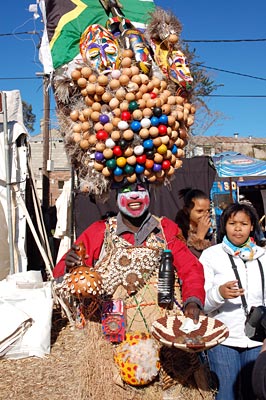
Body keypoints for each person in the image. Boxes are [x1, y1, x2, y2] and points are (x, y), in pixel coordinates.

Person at [54, 180, 205, 321]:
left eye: (140, 189)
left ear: (149, 192)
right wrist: (72, 267)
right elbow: (62, 274)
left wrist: (193, 301)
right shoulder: (99, 232)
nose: (134, 195)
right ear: (116, 195)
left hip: (162, 330)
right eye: (126, 190)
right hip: (110, 332)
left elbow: (190, 269)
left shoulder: (165, 231)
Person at [199, 202, 266, 400]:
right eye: (232, 223)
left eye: (244, 223)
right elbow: (201, 303)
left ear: (252, 226)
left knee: (252, 394)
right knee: (225, 395)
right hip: (223, 339)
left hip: (256, 340)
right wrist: (219, 293)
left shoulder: (263, 257)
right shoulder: (211, 255)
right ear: (224, 226)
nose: (238, 228)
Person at [175, 188, 213, 258]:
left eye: (208, 210)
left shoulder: (210, 231)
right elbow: (185, 260)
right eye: (199, 211)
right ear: (186, 210)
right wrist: (199, 238)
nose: (205, 215)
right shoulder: (179, 232)